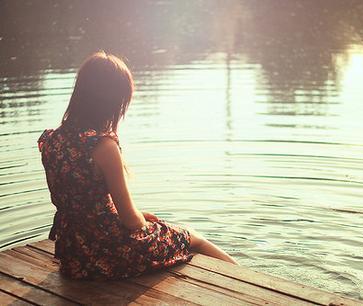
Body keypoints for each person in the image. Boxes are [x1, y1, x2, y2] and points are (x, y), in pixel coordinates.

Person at [37, 51, 238, 280]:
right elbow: (131, 221)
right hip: (110, 253)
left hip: (73, 255)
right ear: (111, 101)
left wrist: (141, 214)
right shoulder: (102, 146)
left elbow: (82, 203)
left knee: (160, 226)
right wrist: (143, 220)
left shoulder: (51, 140)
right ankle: (248, 279)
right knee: (193, 237)